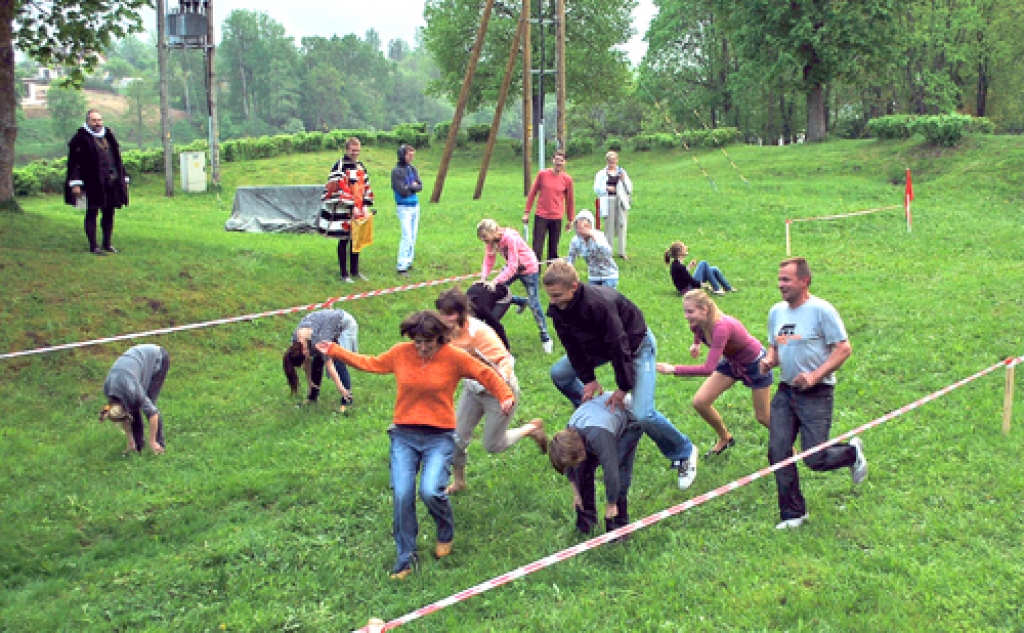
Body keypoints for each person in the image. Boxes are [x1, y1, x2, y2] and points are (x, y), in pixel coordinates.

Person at [317, 311, 514, 579]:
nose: (422, 347)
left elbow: (484, 373)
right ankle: (405, 558)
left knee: (431, 491)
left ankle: (445, 531)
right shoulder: (401, 353)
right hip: (404, 435)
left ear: (439, 338)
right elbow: (370, 363)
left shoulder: (454, 357)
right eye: (417, 341)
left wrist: (504, 395)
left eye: (428, 342)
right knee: (402, 494)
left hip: (439, 436)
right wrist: (335, 351)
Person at [543, 261, 698, 490]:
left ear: (573, 287)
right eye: (549, 295)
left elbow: (619, 347)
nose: (552, 301)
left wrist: (623, 387)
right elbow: (571, 346)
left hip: (636, 347)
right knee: (559, 373)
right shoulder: (559, 308)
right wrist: (588, 380)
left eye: (556, 295)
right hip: (599, 347)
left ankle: (684, 451)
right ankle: (596, 415)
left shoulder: (599, 304)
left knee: (643, 414)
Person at [760, 257, 867, 530]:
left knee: (814, 457)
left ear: (804, 281)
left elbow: (843, 348)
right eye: (779, 279)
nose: (780, 284)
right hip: (786, 391)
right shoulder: (776, 312)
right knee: (778, 451)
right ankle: (793, 513)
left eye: (786, 279)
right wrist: (770, 359)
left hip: (817, 393)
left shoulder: (822, 310)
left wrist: (815, 375)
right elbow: (775, 345)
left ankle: (851, 454)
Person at [435, 287, 547, 494]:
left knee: (493, 445)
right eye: (442, 313)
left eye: (449, 314)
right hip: (473, 390)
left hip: (499, 392)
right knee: (455, 438)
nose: (444, 319)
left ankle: (531, 429)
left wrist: (502, 391)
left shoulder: (479, 333)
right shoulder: (443, 331)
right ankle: (459, 482)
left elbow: (505, 360)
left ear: (461, 313)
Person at [655, 289, 771, 457]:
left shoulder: (721, 327)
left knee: (763, 416)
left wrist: (674, 369)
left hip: (756, 364)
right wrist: (696, 344)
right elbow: (698, 331)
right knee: (700, 402)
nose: (686, 316)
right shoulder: (697, 323)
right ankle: (725, 438)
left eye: (690, 311)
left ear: (704, 309)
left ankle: (788, 449)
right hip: (732, 362)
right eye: (685, 311)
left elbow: (708, 368)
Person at [548, 393, 643, 536]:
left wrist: (611, 503)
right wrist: (576, 494)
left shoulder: (600, 436)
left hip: (632, 417)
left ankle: (618, 526)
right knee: (582, 469)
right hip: (598, 418)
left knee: (619, 466)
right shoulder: (568, 436)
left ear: (581, 449)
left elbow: (611, 473)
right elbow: (569, 467)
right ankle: (586, 524)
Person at [477, 218, 554, 354]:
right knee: (495, 292)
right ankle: (521, 301)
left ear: (493, 232)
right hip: (512, 268)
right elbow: (489, 259)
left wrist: (495, 280)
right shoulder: (491, 242)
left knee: (534, 304)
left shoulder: (510, 238)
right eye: (482, 239)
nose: (484, 241)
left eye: (485, 237)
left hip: (528, 269)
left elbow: (513, 265)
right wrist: (483, 278)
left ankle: (546, 338)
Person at [65, 109, 129, 256]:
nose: (97, 123)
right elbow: (73, 163)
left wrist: (123, 177)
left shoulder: (108, 135)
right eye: (94, 120)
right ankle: (93, 246)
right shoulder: (80, 138)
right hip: (92, 182)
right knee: (92, 212)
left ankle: (107, 243)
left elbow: (118, 159)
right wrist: (75, 183)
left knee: (109, 213)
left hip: (111, 181)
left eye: (99, 120)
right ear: (88, 121)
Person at [318, 137, 375, 283]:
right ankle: (344, 274)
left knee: (356, 240)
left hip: (359, 210)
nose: (355, 153)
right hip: (344, 211)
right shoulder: (339, 166)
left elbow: (366, 186)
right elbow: (335, 189)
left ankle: (355, 271)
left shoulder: (360, 166)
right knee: (344, 240)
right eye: (353, 150)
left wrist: (365, 205)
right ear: (347, 149)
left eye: (358, 150)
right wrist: (351, 205)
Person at [98, 344, 169, 455]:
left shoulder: (133, 390)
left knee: (149, 404)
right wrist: (131, 441)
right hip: (132, 366)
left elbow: (153, 414)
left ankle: (159, 446)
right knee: (133, 408)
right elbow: (125, 417)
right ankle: (137, 445)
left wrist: (152, 441)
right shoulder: (108, 390)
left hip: (157, 357)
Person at [283, 309, 358, 412]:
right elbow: (306, 363)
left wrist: (341, 389)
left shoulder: (320, 339)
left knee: (338, 359)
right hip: (324, 326)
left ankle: (347, 401)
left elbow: (330, 366)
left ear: (305, 352)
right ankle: (312, 398)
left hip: (344, 323)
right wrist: (310, 383)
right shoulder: (296, 341)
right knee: (317, 359)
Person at [523, 149, 576, 263]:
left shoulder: (567, 180)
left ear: (564, 162)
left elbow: (570, 200)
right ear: (553, 160)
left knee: (553, 249)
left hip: (556, 217)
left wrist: (570, 219)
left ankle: (552, 272)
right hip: (541, 215)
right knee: (537, 247)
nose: (558, 163)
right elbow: (532, 193)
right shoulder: (543, 175)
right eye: (556, 160)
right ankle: (535, 271)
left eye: (561, 160)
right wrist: (527, 212)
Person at [593, 151, 633, 259]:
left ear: (617, 160)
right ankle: (608, 251)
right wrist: (606, 188)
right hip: (608, 200)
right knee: (609, 226)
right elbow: (596, 189)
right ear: (607, 161)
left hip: (621, 200)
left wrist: (623, 180)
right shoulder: (601, 173)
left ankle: (622, 251)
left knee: (622, 224)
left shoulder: (622, 172)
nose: (612, 162)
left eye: (614, 160)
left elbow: (630, 188)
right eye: (610, 160)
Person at [565, 209, 619, 288]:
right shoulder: (576, 240)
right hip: (593, 276)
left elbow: (607, 252)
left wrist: (594, 238)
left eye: (585, 227)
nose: (582, 230)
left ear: (590, 226)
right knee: (593, 296)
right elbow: (571, 257)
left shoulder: (599, 236)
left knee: (605, 296)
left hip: (609, 276)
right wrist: (568, 271)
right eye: (579, 227)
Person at [391, 144, 423, 276]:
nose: (411, 158)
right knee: (407, 236)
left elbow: (420, 186)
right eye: (409, 155)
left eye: (413, 155)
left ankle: (408, 261)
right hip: (404, 207)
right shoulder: (396, 172)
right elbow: (402, 191)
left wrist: (410, 187)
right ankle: (401, 265)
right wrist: (412, 186)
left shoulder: (412, 168)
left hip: (415, 205)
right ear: (402, 155)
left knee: (413, 236)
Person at [665, 241, 737, 295]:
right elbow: (692, 281)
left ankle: (728, 288)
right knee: (703, 263)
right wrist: (705, 285)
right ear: (679, 253)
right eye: (684, 248)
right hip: (688, 290)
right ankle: (717, 289)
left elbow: (682, 276)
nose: (686, 248)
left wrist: (689, 267)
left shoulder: (676, 264)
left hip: (689, 287)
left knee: (713, 269)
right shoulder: (678, 266)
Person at [466, 281, 513, 352]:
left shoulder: (481, 309)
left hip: (503, 296)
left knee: (490, 325)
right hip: (485, 294)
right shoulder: (461, 307)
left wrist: (507, 348)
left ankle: (502, 348)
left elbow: (497, 326)